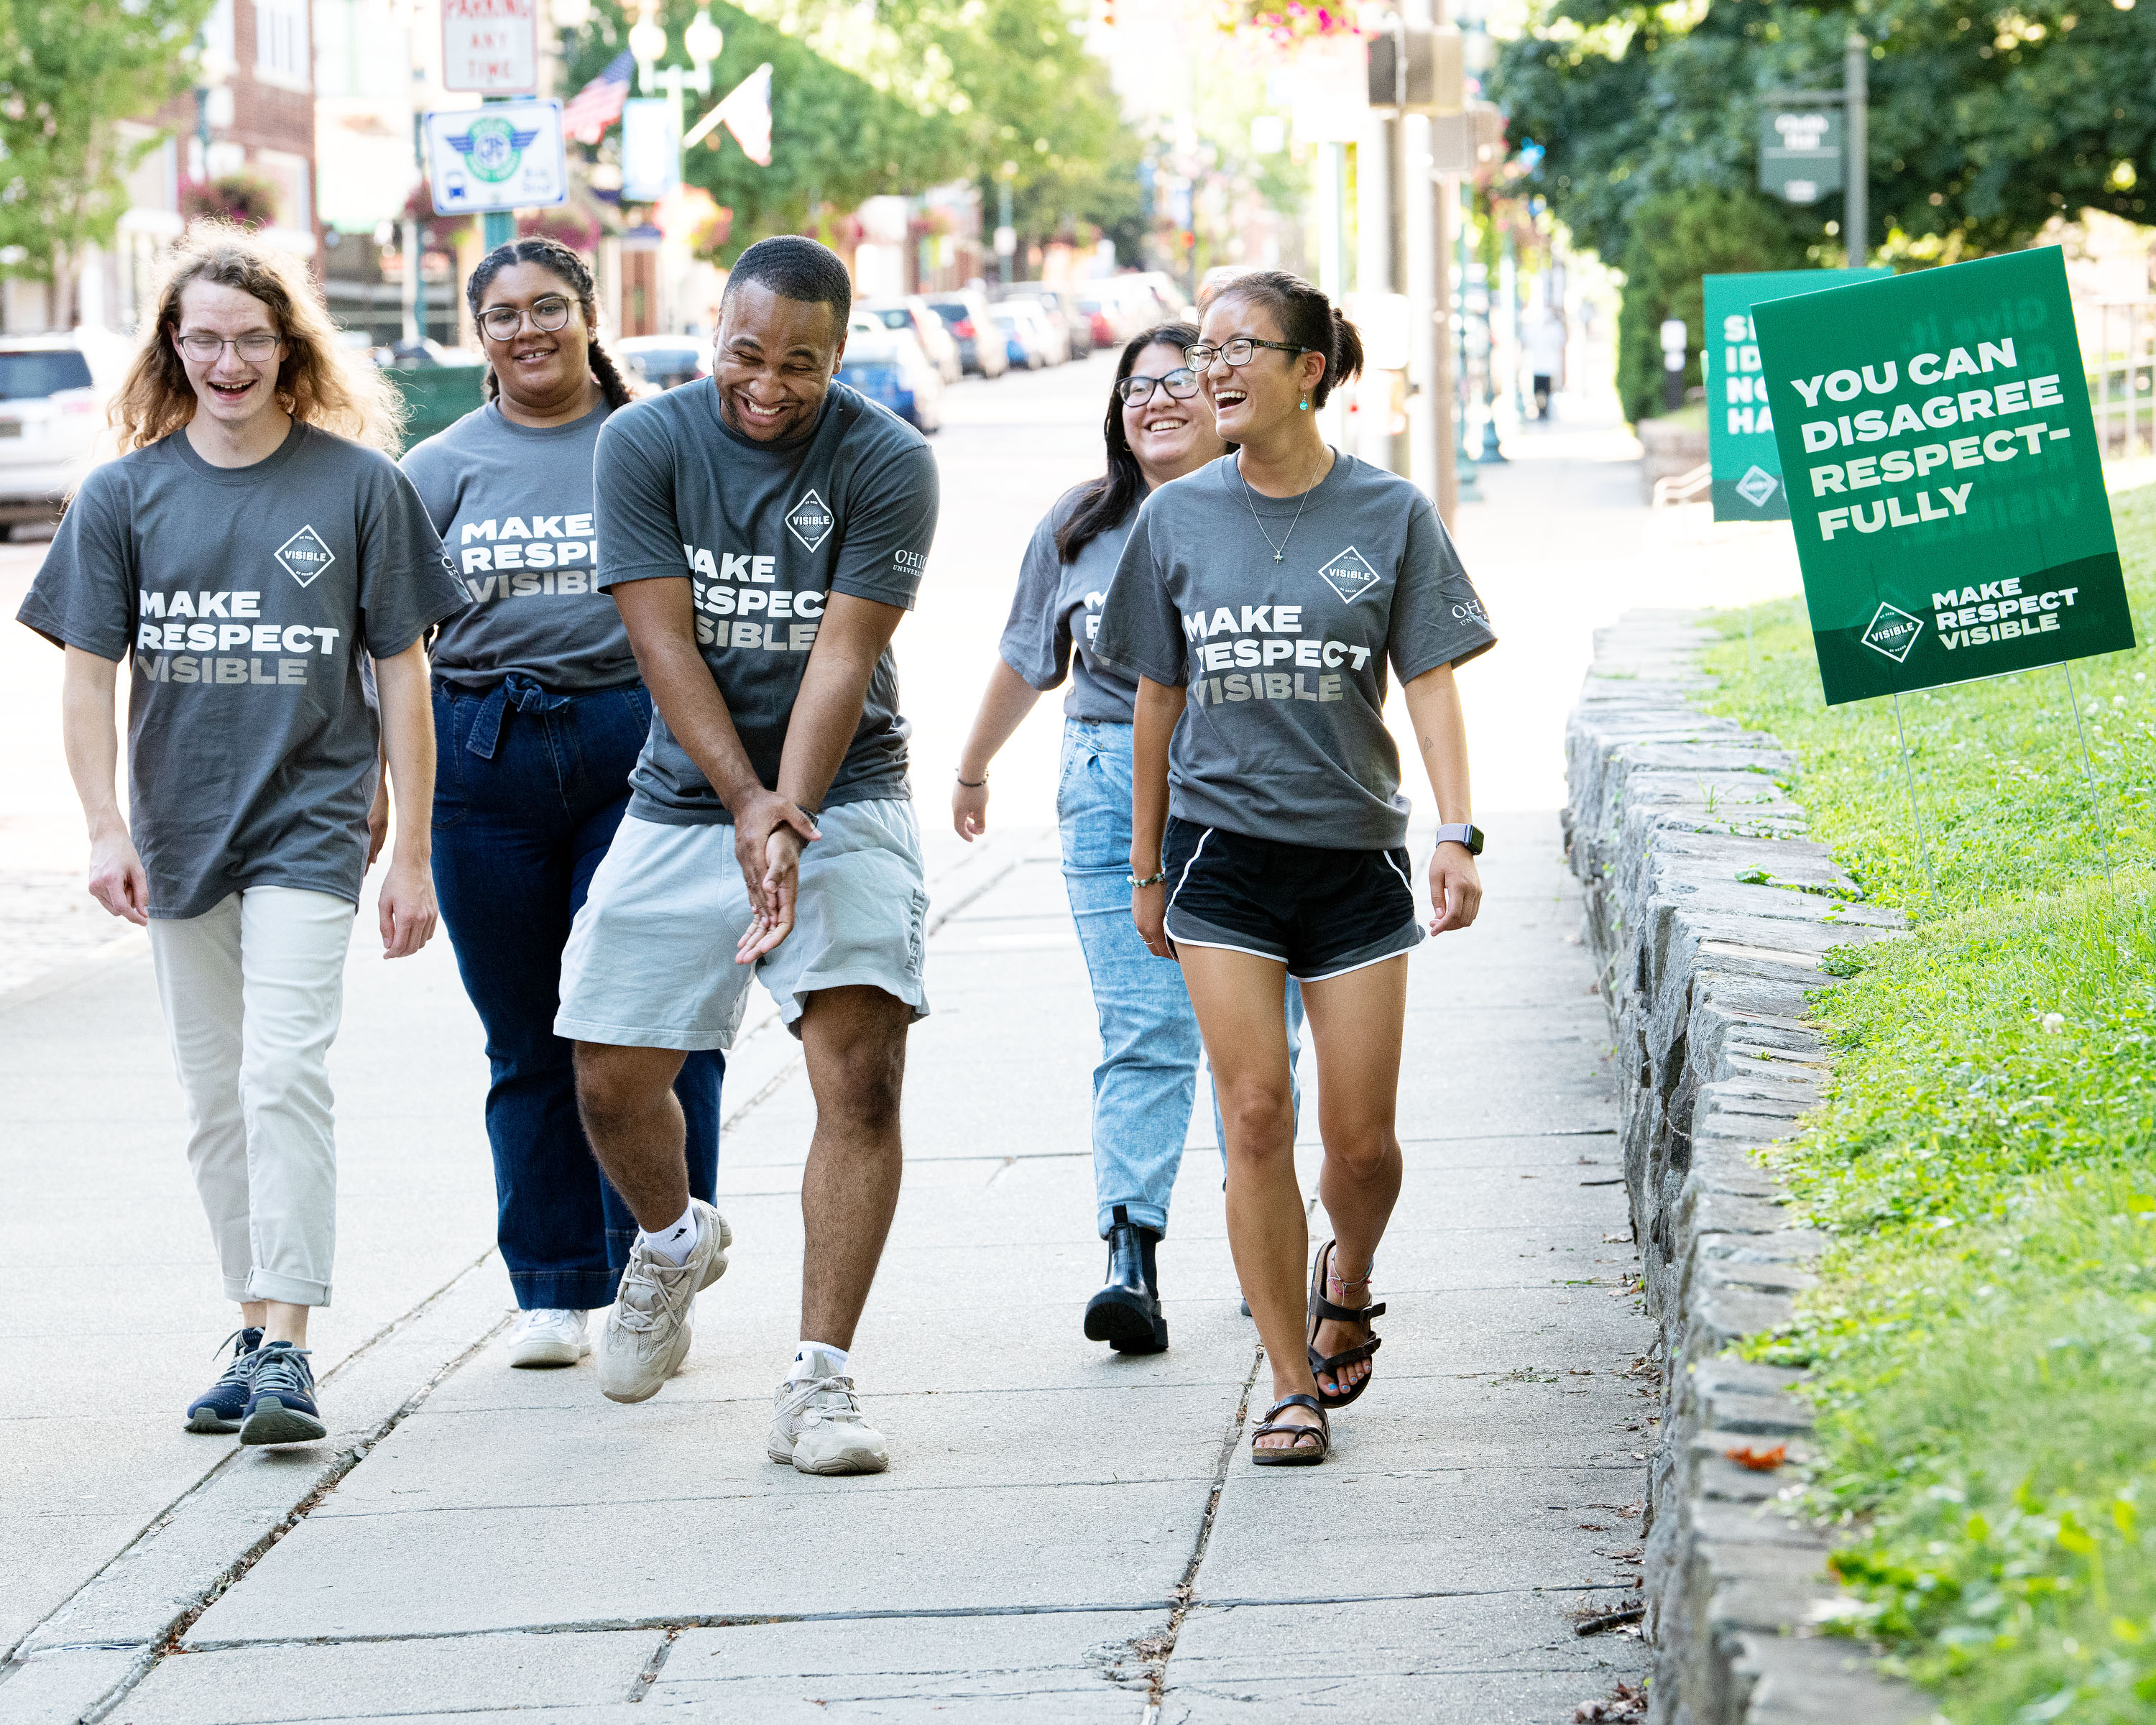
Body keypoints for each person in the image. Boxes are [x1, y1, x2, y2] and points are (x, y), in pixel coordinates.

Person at [17, 225, 466, 1445]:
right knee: (215, 1098)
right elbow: (84, 679)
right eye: (204, 338)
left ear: (289, 348)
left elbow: (406, 675)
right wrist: (104, 829)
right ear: (174, 347)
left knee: (283, 1075)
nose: (228, 360)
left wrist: (412, 848)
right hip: (176, 831)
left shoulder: (356, 486)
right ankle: (255, 1328)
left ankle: (294, 1348)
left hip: (312, 825)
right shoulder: (123, 495)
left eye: (252, 338)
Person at [1095, 270, 1496, 1466]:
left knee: (1360, 1144)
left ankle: (1349, 1275)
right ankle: (1285, 1384)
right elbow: (1155, 695)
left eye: (1235, 349)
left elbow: (1430, 677)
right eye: (1198, 353)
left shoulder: (1390, 516)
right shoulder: (1176, 519)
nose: (1208, 371)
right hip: (1222, 855)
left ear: (1308, 370)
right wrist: (1145, 865)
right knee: (1256, 1114)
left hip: (1355, 855)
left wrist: (1456, 829)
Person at [554, 235, 938, 1476]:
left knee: (860, 1071)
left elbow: (842, 653)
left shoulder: (887, 459)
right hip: (680, 795)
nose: (768, 386)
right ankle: (670, 1239)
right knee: (609, 1076)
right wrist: (739, 800)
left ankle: (819, 1382)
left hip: (847, 789)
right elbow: (660, 641)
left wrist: (788, 812)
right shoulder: (646, 442)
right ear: (711, 330)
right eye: (746, 355)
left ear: (842, 353)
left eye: (802, 366)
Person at [400, 237, 724, 1368]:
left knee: (645, 1024)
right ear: (475, 332)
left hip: (636, 745)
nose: (527, 330)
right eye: (502, 315)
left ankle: (662, 1257)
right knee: (525, 1037)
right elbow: (392, 650)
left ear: (590, 315)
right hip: (482, 757)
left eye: (549, 308)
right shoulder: (436, 468)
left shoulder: (651, 445)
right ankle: (551, 1286)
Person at [952, 325, 1303, 1356]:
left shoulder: (1270, 511)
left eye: (1180, 382)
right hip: (1109, 784)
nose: (1155, 400)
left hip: (1251, 788)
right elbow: (1028, 656)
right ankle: (1130, 1255)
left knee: (1264, 1041)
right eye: (1136, 387)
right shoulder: (1080, 524)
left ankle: (1266, 1243)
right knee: (1144, 1031)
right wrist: (974, 767)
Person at [1526, 301, 1567, 422]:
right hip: (1541, 365)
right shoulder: (1538, 328)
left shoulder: (1552, 328)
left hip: (1545, 365)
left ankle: (1544, 411)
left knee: (1545, 390)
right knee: (1541, 390)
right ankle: (1542, 411)